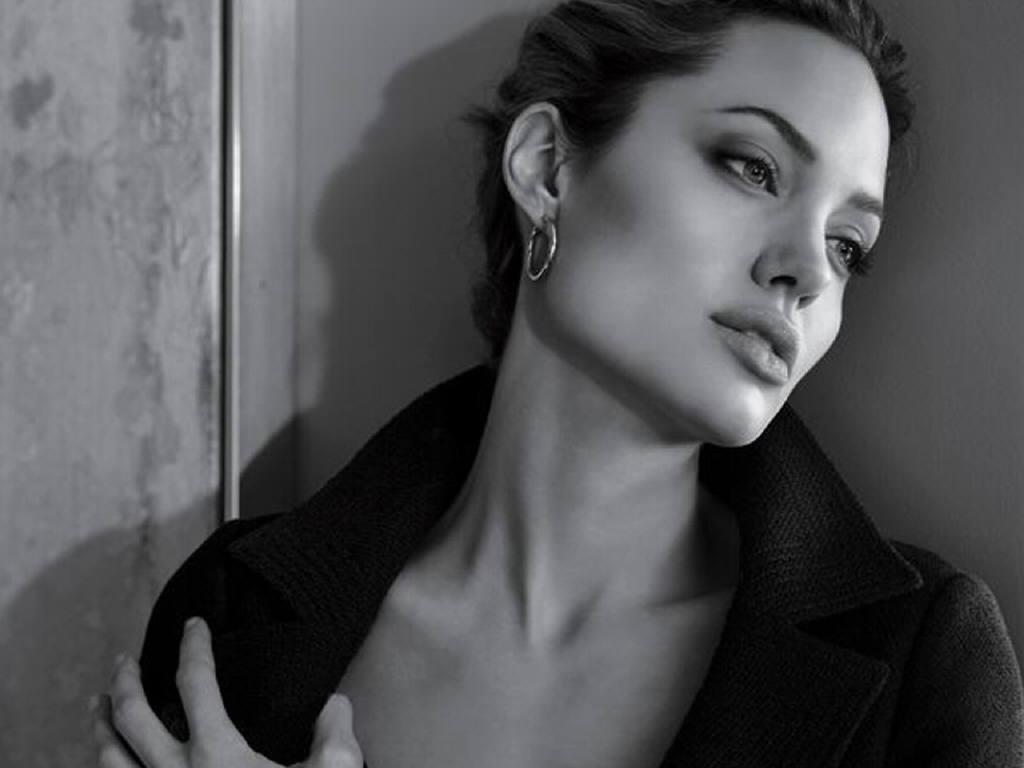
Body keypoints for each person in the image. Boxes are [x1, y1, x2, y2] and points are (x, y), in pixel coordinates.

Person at [94, 0, 1024, 766]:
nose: (809, 273)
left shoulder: (921, 660)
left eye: (847, 245)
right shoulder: (231, 612)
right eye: (753, 168)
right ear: (547, 167)